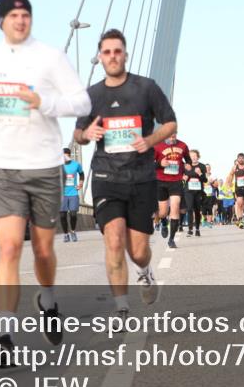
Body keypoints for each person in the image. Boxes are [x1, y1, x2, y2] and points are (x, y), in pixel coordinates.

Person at [0, 0, 91, 367]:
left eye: (25, 14)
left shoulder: (50, 57)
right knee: (8, 250)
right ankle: (4, 337)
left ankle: (48, 300)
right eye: (13, 15)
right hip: (3, 168)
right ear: (1, 21)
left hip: (43, 167)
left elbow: (82, 103)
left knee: (42, 250)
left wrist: (46, 103)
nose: (20, 20)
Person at [74, 29, 176, 321]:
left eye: (117, 51)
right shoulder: (92, 95)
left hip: (142, 179)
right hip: (107, 178)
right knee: (114, 240)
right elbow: (78, 134)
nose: (113, 57)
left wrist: (151, 140)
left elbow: (170, 123)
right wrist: (86, 134)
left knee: (138, 251)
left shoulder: (146, 88)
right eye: (107, 52)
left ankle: (144, 271)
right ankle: (120, 306)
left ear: (125, 54)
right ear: (100, 57)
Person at [155, 134, 191, 247]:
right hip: (161, 182)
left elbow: (188, 160)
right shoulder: (156, 146)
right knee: (163, 212)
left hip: (176, 181)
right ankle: (164, 222)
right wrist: (160, 164)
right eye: (169, 136)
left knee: (175, 206)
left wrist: (187, 166)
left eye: (174, 136)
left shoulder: (183, 145)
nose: (172, 139)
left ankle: (171, 239)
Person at [60, 148, 84, 243]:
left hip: (73, 192)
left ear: (69, 155)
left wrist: (81, 183)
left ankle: (73, 232)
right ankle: (66, 234)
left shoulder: (76, 165)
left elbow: (81, 174)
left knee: (73, 214)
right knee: (62, 216)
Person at [183, 150, 207, 236]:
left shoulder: (202, 166)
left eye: (194, 156)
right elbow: (181, 177)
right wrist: (183, 178)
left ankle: (197, 228)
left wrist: (200, 173)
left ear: (198, 156)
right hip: (188, 191)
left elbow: (205, 180)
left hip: (198, 191)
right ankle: (190, 229)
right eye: (191, 156)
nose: (193, 157)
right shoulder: (186, 166)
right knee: (189, 208)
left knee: (197, 210)